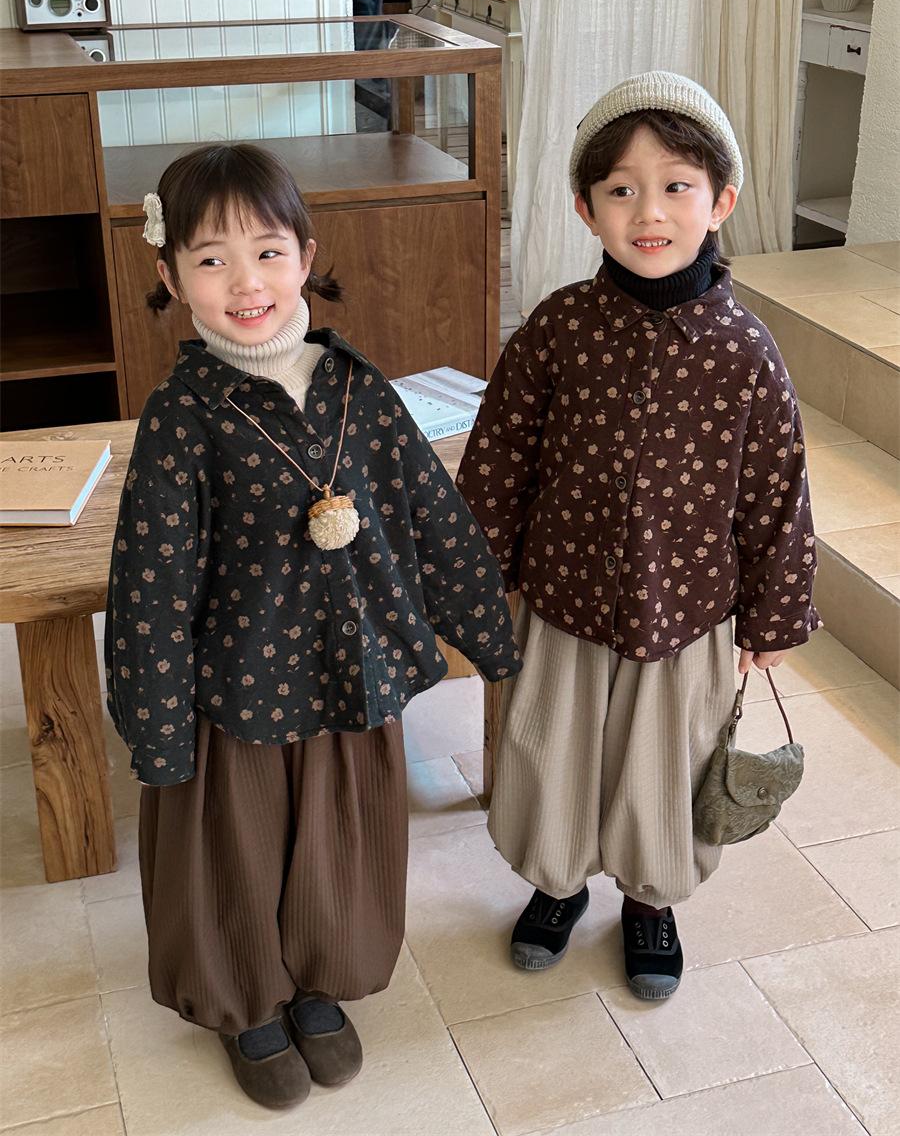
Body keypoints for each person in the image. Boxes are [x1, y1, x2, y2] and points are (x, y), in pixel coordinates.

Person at [105, 141, 520, 1109]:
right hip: (235, 692)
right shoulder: (182, 417)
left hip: (349, 674)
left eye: (267, 251)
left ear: (306, 254)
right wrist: (157, 729)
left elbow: (431, 514)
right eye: (212, 259)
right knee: (236, 852)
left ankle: (322, 982)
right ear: (171, 274)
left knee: (343, 842)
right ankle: (247, 1001)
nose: (245, 282)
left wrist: (491, 635)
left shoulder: (359, 389)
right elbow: (151, 586)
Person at [456, 72, 820, 1001]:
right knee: (552, 753)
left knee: (665, 766)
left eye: (675, 186)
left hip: (687, 613)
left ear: (721, 201)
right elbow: (499, 457)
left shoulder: (746, 350)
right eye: (620, 189)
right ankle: (557, 884)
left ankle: (650, 900)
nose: (648, 211)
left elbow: (777, 495)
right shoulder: (557, 329)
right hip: (562, 602)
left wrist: (773, 619)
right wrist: (473, 577)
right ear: (587, 209)